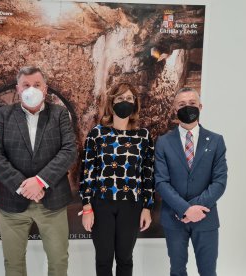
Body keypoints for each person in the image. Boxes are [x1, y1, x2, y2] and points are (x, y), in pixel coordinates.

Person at [0, 66, 77, 276]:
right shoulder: (2, 115)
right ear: (18, 89)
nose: (31, 89)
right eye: (26, 85)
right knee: (13, 263)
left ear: (45, 89)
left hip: (52, 202)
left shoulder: (60, 114)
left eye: (37, 85)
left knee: (59, 261)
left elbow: (69, 150)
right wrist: (22, 185)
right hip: (12, 204)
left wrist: (41, 181)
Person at [79, 82, 154, 276]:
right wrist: (87, 206)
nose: (125, 102)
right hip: (101, 203)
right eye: (120, 98)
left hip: (131, 204)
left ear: (135, 103)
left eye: (129, 98)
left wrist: (147, 207)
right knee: (103, 260)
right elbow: (88, 171)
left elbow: (147, 173)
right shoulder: (97, 134)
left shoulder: (143, 136)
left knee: (125, 259)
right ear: (112, 103)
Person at [154, 87, 228, 276]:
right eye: (182, 104)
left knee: (208, 271)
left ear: (200, 106)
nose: (188, 107)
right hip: (174, 219)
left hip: (206, 218)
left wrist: (194, 208)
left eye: (192, 104)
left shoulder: (216, 141)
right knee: (177, 271)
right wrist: (185, 209)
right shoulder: (163, 142)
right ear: (174, 109)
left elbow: (219, 181)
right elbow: (161, 182)